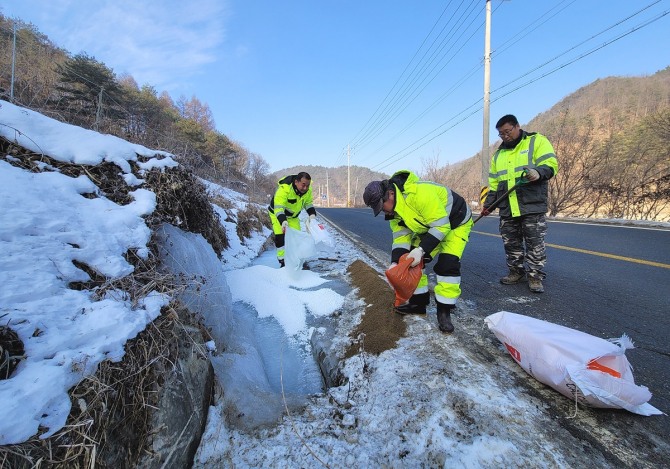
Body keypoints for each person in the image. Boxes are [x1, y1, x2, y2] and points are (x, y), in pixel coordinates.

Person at [363, 170, 473, 333]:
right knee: (411, 263)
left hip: (456, 222)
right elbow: (401, 237)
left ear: (391, 194)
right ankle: (418, 303)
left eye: (382, 206)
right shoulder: (394, 213)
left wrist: (422, 250)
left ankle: (444, 311)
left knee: (447, 264)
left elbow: (442, 226)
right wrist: (396, 263)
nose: (384, 212)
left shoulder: (419, 194)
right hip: (430, 226)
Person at [481, 114, 559, 293]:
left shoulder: (536, 141)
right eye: (501, 134)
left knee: (534, 242)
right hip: (507, 206)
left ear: (517, 126)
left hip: (530, 203)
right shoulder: (498, 155)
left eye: (507, 131)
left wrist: (538, 172)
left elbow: (551, 164)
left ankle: (535, 276)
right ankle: (516, 271)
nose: (505, 136)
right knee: (511, 242)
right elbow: (494, 184)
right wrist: (488, 205)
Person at [268, 172, 317, 267]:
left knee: (297, 238)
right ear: (296, 182)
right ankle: (283, 262)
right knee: (280, 237)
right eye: (303, 185)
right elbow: (279, 208)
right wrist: (283, 221)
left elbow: (308, 203)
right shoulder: (284, 189)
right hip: (277, 214)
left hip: (293, 217)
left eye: (307, 185)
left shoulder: (308, 190)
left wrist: (312, 215)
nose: (305, 188)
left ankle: (297, 260)